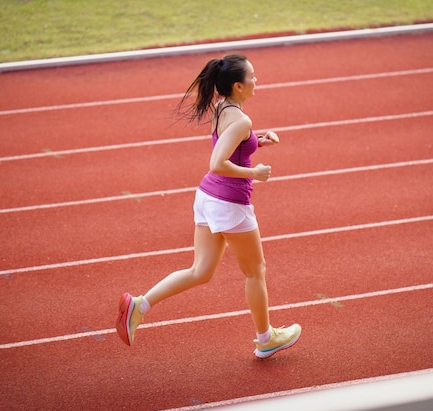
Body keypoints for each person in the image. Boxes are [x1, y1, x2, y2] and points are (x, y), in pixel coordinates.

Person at [116, 54, 301, 358]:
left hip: (207, 199)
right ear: (239, 86)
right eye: (253, 77)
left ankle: (140, 305)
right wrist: (254, 172)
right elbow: (218, 162)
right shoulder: (242, 120)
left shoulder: (222, 107)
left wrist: (258, 141)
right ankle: (266, 339)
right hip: (230, 204)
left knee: (200, 271)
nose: (257, 81)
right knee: (256, 272)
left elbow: (231, 140)